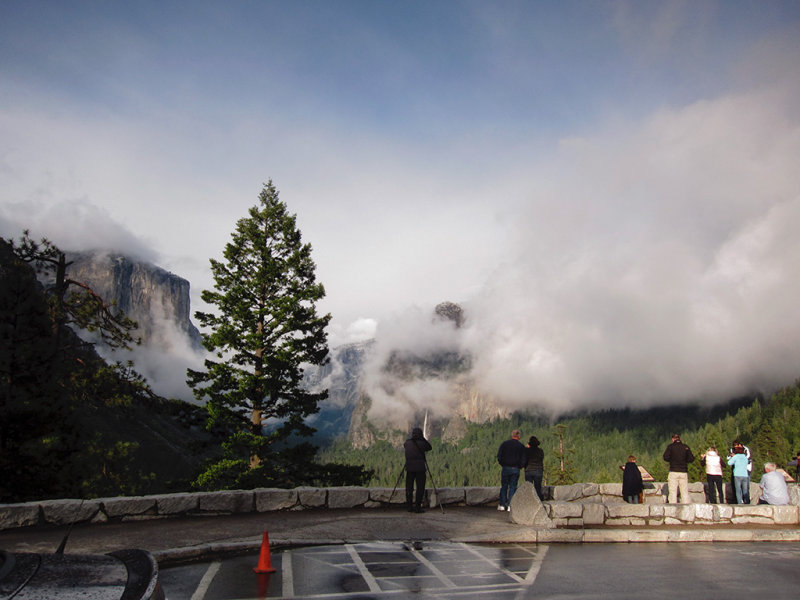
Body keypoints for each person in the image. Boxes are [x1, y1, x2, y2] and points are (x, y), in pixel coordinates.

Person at [403, 427, 432, 513]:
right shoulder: (422, 444)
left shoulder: (407, 443)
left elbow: (405, 445)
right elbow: (429, 447)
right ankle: (418, 507)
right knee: (420, 488)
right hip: (420, 469)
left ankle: (409, 506)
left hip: (409, 468)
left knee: (409, 487)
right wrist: (423, 438)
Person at [497, 429, 527, 511]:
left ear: (511, 435)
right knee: (513, 487)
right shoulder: (521, 446)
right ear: (519, 436)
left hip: (506, 468)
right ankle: (510, 506)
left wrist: (503, 464)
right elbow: (524, 459)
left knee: (504, 486)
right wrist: (520, 466)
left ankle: (502, 505)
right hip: (515, 469)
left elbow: (499, 456)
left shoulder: (504, 444)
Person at [663, 433, 694, 504]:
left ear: (673, 439)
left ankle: (672, 509)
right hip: (683, 471)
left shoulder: (670, 447)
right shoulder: (685, 447)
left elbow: (665, 457)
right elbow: (691, 459)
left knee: (673, 492)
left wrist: (672, 459)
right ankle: (686, 508)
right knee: (684, 492)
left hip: (673, 470)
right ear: (679, 439)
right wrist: (684, 460)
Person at [524, 436, 545, 500]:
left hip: (528, 470)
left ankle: (529, 501)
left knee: (529, 488)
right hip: (538, 470)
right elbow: (541, 458)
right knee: (538, 488)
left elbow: (524, 459)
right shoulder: (540, 451)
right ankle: (539, 501)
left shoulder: (527, 451)